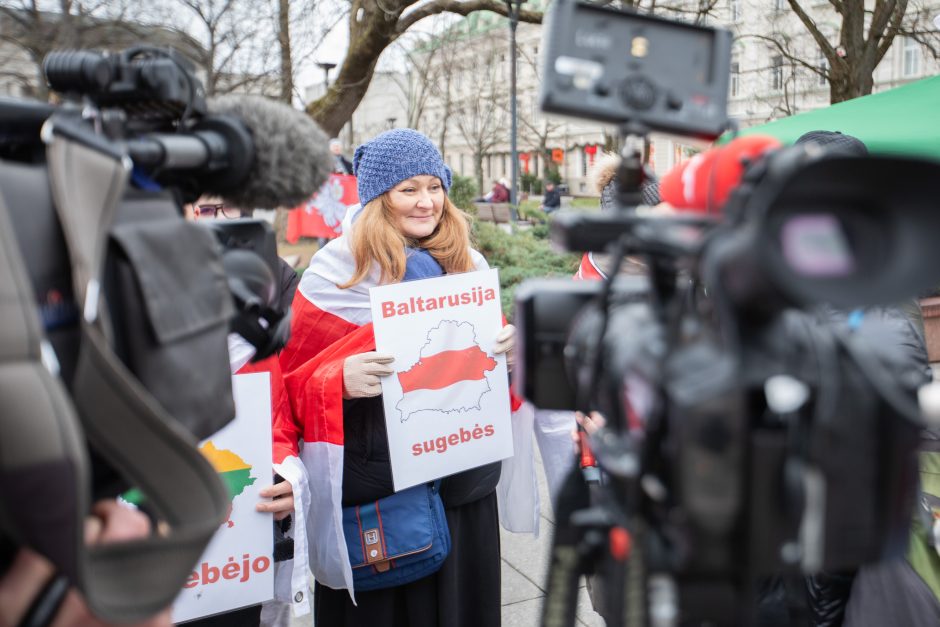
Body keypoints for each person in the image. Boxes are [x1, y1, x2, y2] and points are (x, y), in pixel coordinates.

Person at [279, 128, 520, 627]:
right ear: (376, 198)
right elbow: (287, 386)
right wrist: (337, 378)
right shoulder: (334, 276)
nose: (426, 202)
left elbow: (483, 370)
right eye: (408, 189)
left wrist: (511, 355)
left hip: (463, 486)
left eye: (434, 187)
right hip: (381, 494)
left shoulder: (468, 264)